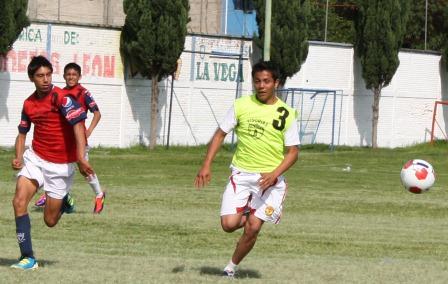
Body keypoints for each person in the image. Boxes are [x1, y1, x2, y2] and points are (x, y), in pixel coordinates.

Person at [194, 61, 301, 277]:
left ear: (276, 83)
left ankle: (230, 268)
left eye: (266, 81)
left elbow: (293, 152)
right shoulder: (241, 105)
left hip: (269, 182)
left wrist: (274, 174)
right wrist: (206, 165)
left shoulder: (286, 114)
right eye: (257, 81)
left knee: (252, 228)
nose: (261, 86)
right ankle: (250, 211)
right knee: (228, 224)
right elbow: (220, 134)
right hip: (241, 175)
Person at [11, 56, 94, 270]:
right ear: (32, 78)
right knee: (19, 201)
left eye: (48, 75)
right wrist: (19, 156)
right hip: (36, 158)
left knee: (50, 221)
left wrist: (81, 158)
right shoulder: (29, 104)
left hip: (60, 165)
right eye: (40, 76)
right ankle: (27, 258)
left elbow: (78, 127)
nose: (46, 79)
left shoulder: (62, 99)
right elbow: (22, 134)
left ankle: (64, 201)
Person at [35, 62, 106, 214]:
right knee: (55, 166)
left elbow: (97, 114)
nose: (71, 77)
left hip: (79, 139)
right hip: (64, 140)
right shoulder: (59, 93)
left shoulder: (83, 93)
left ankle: (99, 195)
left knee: (84, 168)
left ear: (79, 76)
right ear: (64, 76)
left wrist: (89, 132)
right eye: (68, 74)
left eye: (74, 74)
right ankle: (56, 196)